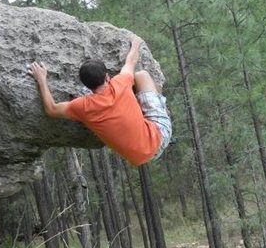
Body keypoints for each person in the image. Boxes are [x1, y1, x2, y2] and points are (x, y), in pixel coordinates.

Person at [29, 35, 172, 166]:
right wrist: (135, 44)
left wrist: (41, 79)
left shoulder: (82, 106)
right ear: (107, 77)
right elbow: (130, 62)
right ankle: (162, 109)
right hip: (160, 135)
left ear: (86, 86)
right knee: (141, 75)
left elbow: (51, 109)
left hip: (139, 158)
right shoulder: (120, 83)